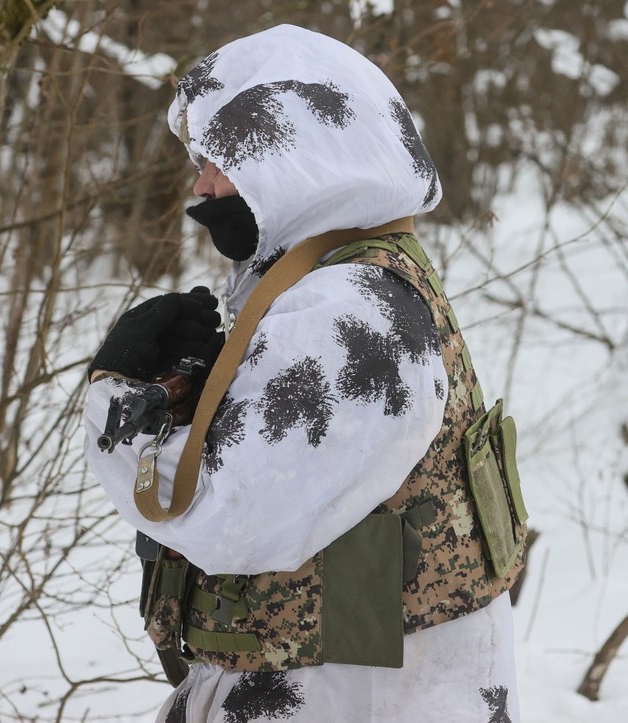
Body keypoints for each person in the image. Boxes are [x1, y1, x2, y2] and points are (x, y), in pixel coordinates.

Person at [83, 24, 528, 723]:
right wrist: (188, 402)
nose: (200, 186)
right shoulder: (340, 286)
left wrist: (116, 402)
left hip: (356, 696)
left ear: (295, 156)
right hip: (353, 683)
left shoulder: (354, 314)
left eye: (219, 162)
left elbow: (216, 514)